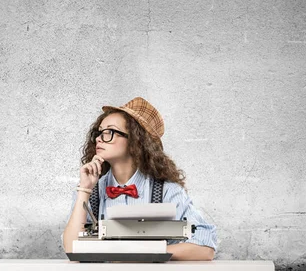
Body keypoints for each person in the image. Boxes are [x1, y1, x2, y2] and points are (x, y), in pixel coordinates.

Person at [62, 97, 217, 261]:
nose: (99, 138)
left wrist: (147, 251)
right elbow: (72, 248)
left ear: (135, 141)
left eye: (110, 132)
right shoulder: (90, 190)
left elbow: (206, 248)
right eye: (99, 132)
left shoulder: (167, 190)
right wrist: (85, 189)